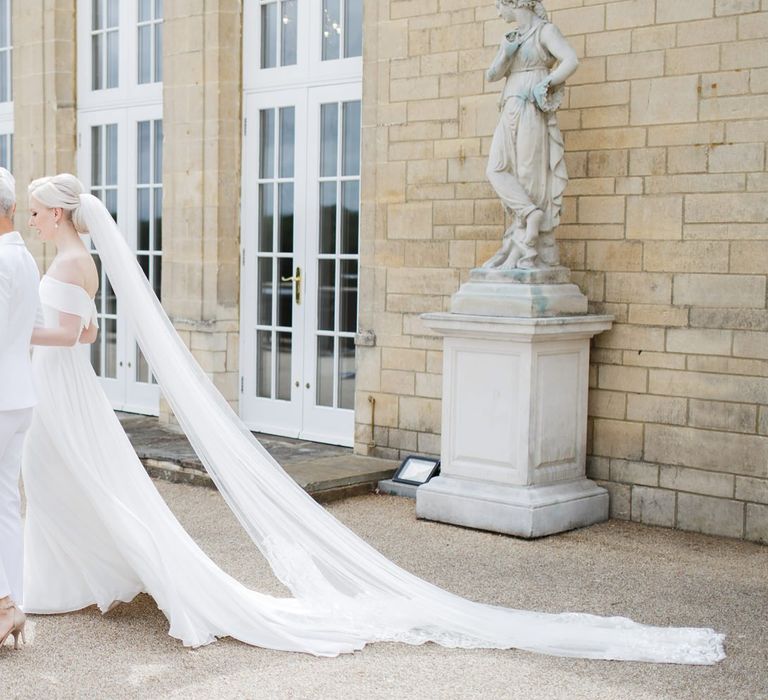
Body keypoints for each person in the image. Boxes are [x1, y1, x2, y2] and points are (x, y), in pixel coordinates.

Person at [21, 173, 725, 663]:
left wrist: (17, 331)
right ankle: (74, 578)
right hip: (64, 385)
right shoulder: (71, 260)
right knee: (70, 483)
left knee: (68, 480)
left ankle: (74, 581)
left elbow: (68, 334)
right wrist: (44, 331)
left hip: (59, 386)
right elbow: (85, 335)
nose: (30, 217)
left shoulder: (72, 261)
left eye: (35, 209)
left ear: (59, 214)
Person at [483, 0, 576, 270]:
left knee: (528, 173)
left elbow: (571, 59)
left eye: (500, 5)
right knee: (496, 168)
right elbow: (492, 75)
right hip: (509, 105)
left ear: (514, 3)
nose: (498, 11)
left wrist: (548, 82)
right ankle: (530, 214)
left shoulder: (544, 31)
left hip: (530, 107)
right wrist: (506, 53)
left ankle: (526, 245)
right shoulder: (510, 37)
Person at [0, 168, 39, 649]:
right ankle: (12, 603)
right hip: (18, 396)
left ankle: (6, 603)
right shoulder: (24, 258)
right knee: (6, 505)